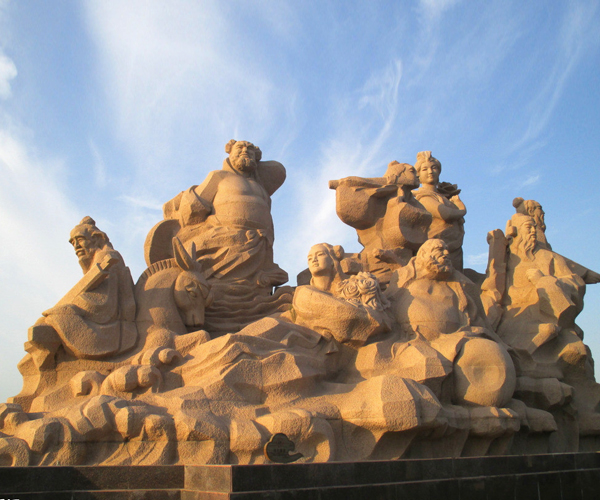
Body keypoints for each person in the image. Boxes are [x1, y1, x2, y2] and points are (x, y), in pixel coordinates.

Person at [147, 140, 291, 335]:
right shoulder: (219, 176)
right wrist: (184, 199)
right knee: (221, 290)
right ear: (229, 153)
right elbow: (194, 209)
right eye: (239, 148)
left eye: (250, 149)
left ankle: (256, 330)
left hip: (259, 247)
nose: (245, 151)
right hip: (224, 242)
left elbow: (278, 171)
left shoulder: (261, 188)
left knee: (253, 294)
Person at [30, 217, 137, 359]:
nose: (76, 246)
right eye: (73, 242)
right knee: (48, 319)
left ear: (96, 238)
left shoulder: (107, 256)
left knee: (60, 314)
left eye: (80, 239)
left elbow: (106, 301)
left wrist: (77, 302)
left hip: (108, 318)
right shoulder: (97, 258)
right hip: (101, 310)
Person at [330, 161, 432, 284]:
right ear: (399, 174)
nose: (417, 175)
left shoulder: (414, 203)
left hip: (404, 258)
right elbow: (354, 205)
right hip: (377, 257)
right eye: (412, 171)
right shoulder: (383, 197)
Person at [413, 151, 466, 271]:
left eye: (434, 168)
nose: (430, 171)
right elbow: (445, 214)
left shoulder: (443, 197)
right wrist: (462, 209)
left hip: (455, 247)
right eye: (425, 169)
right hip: (437, 249)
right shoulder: (423, 197)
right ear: (418, 175)